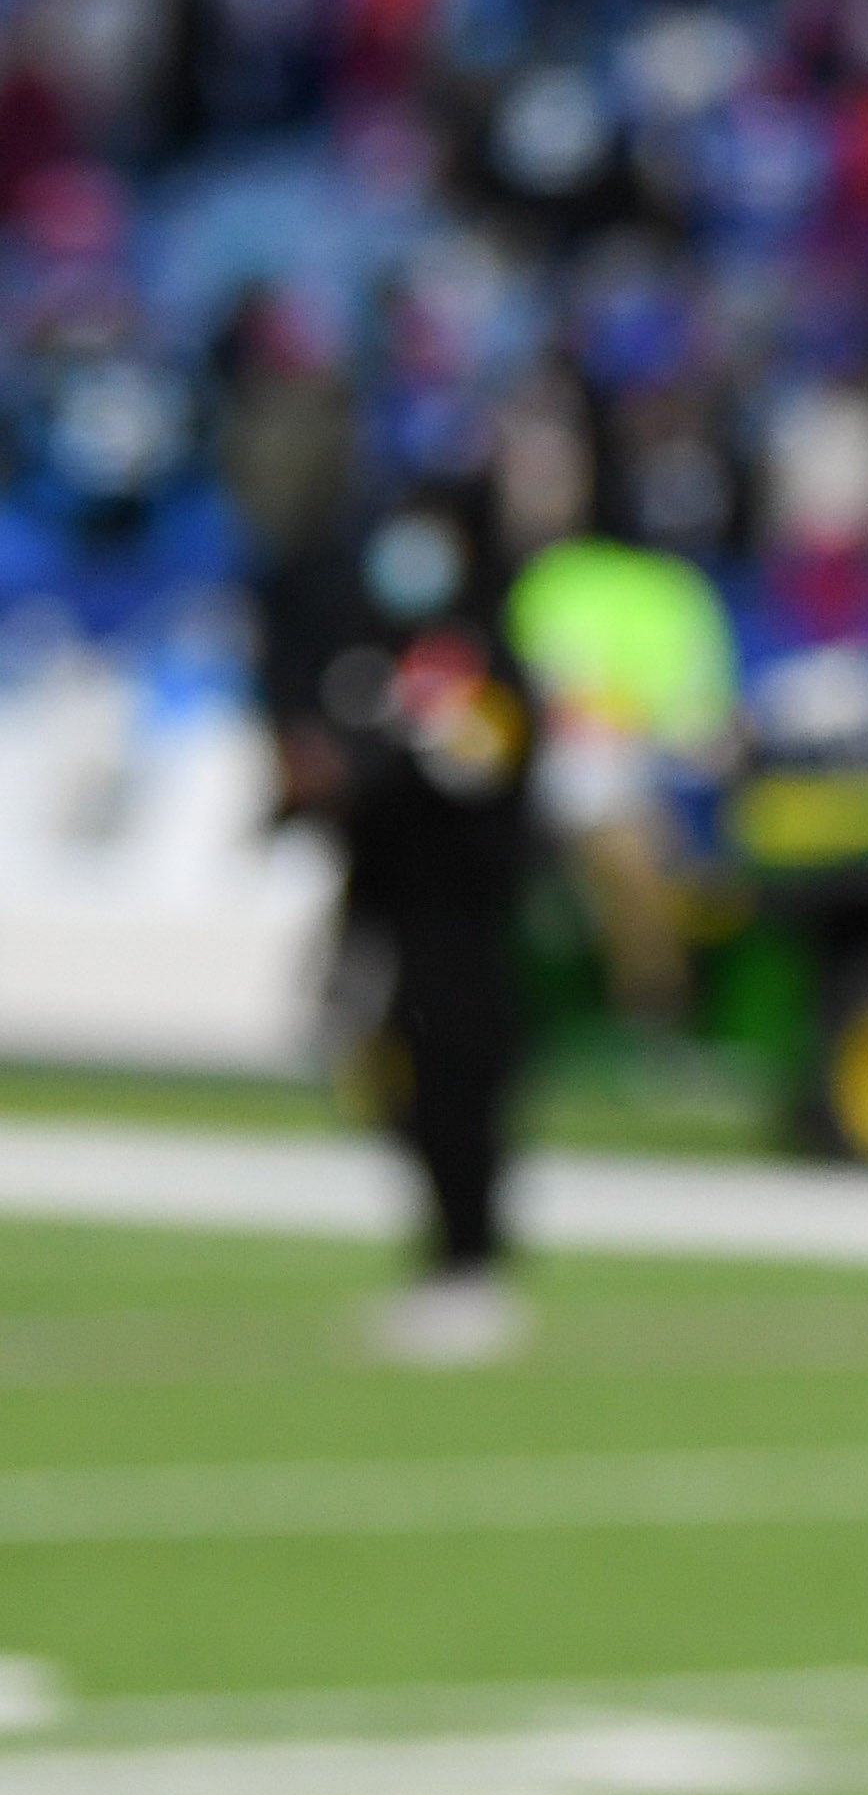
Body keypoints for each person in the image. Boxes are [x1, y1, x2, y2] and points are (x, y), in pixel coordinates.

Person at [260, 471, 541, 1365]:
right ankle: (441, 1257)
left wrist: (367, 775)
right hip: (380, 912)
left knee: (456, 1087)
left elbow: (476, 773)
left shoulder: (482, 657)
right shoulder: (372, 650)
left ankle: (470, 1265)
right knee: (384, 1084)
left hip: (459, 917)